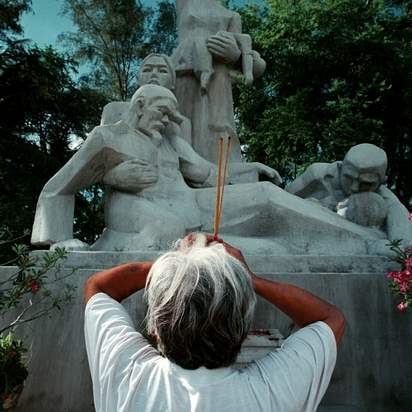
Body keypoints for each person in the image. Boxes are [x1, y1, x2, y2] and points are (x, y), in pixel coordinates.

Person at [84, 232, 345, 412]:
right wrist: (249, 278)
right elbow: (329, 318)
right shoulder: (272, 394)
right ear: (242, 331)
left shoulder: (129, 378)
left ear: (155, 329)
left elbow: (98, 287)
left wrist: (179, 267)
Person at [31, 84, 281, 251]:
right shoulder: (109, 137)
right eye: (162, 112)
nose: (165, 121)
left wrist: (251, 170)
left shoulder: (170, 144)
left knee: (264, 196)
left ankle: (261, 246)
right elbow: (58, 188)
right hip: (135, 209)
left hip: (187, 206)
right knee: (167, 229)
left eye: (170, 117)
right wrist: (60, 241)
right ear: (139, 106)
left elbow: (208, 174)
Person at [172, 0, 266, 163]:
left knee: (219, 126)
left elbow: (245, 54)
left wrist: (235, 55)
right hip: (185, 73)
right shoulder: (185, 4)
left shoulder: (232, 16)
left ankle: (225, 173)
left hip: (219, 79)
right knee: (182, 125)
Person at [286, 143, 412, 241]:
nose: (354, 188)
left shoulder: (386, 199)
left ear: (381, 182)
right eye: (348, 178)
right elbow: (283, 198)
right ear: (340, 168)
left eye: (366, 183)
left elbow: (404, 243)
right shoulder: (318, 175)